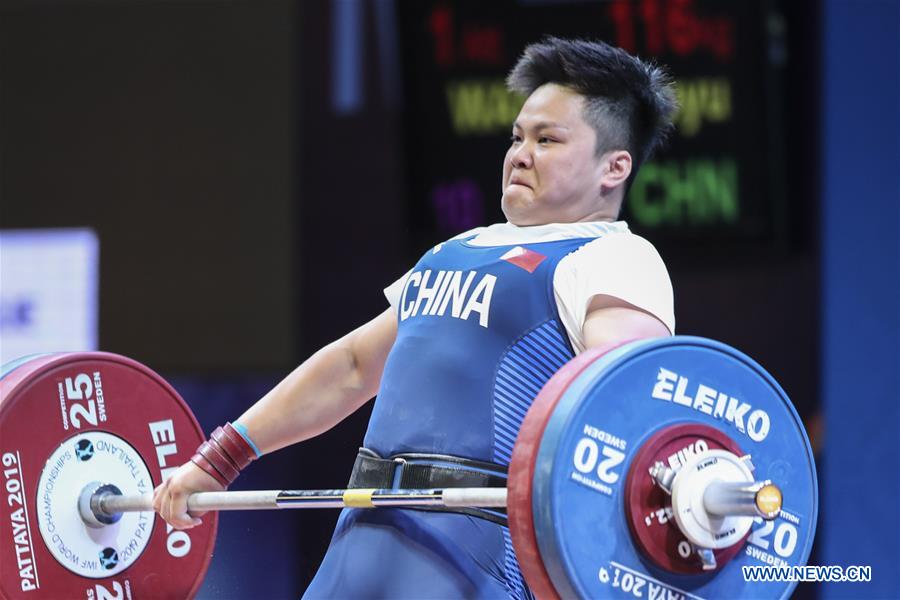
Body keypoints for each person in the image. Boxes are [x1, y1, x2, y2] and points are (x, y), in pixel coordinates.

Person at [154, 37, 678, 598]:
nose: (520, 154)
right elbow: (353, 367)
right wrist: (219, 459)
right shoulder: (456, 249)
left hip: (480, 552)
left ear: (614, 166)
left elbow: (620, 413)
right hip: (362, 532)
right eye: (517, 136)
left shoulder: (615, 258)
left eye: (547, 139)